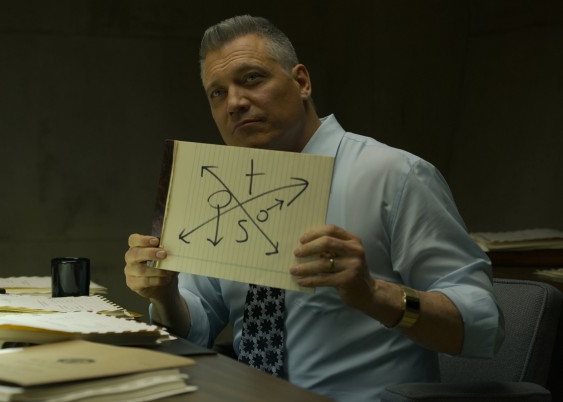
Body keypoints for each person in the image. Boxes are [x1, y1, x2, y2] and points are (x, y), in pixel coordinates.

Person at [124, 15, 504, 402]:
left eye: (252, 78)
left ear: (302, 82)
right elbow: (198, 325)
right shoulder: (221, 188)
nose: (235, 103)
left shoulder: (395, 176)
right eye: (217, 93)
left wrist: (375, 294)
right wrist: (165, 295)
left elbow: (482, 325)